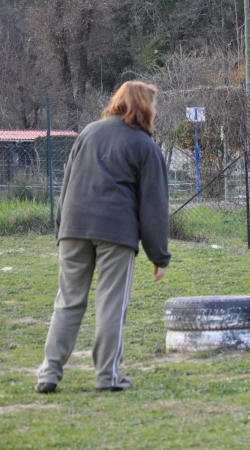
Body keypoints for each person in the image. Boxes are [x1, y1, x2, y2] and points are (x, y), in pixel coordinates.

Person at [36, 81, 171, 393]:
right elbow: (154, 207)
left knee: (67, 302)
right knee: (110, 305)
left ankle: (48, 374)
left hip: (73, 228)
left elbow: (67, 184)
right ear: (146, 108)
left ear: (118, 101)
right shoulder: (145, 146)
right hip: (116, 233)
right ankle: (106, 378)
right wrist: (159, 256)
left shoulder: (88, 132)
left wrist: (61, 230)